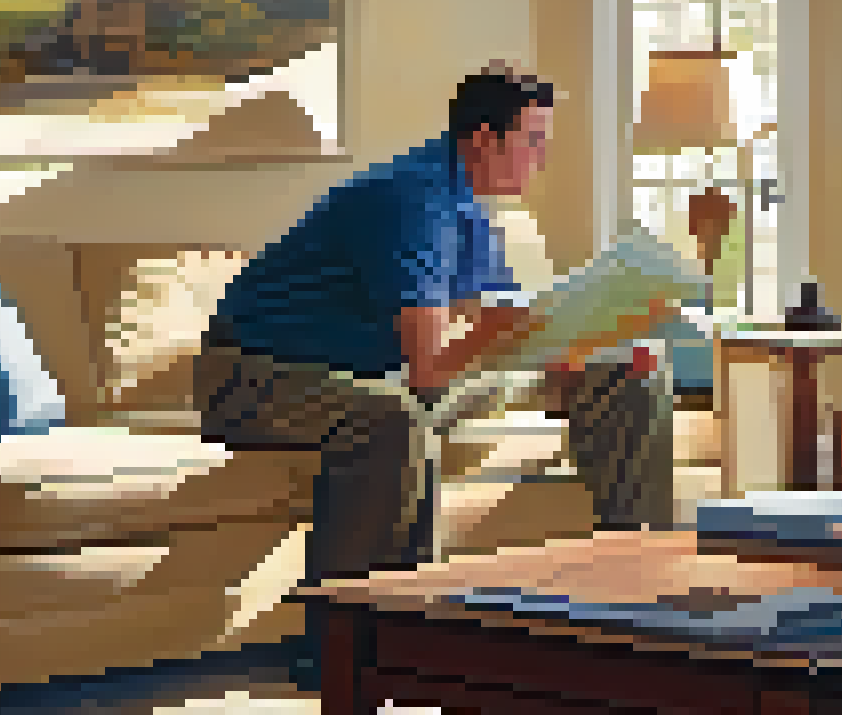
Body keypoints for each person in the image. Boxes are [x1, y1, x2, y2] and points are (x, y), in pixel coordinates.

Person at [197, 65, 676, 688]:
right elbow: (429, 370)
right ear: (485, 139)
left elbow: (504, 325)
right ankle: (349, 650)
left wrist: (595, 344)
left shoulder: (471, 207)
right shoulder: (413, 202)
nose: (542, 157)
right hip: (257, 376)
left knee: (627, 376)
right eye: (533, 140)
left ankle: (639, 600)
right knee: (391, 420)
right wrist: (504, 333)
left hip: (380, 374)